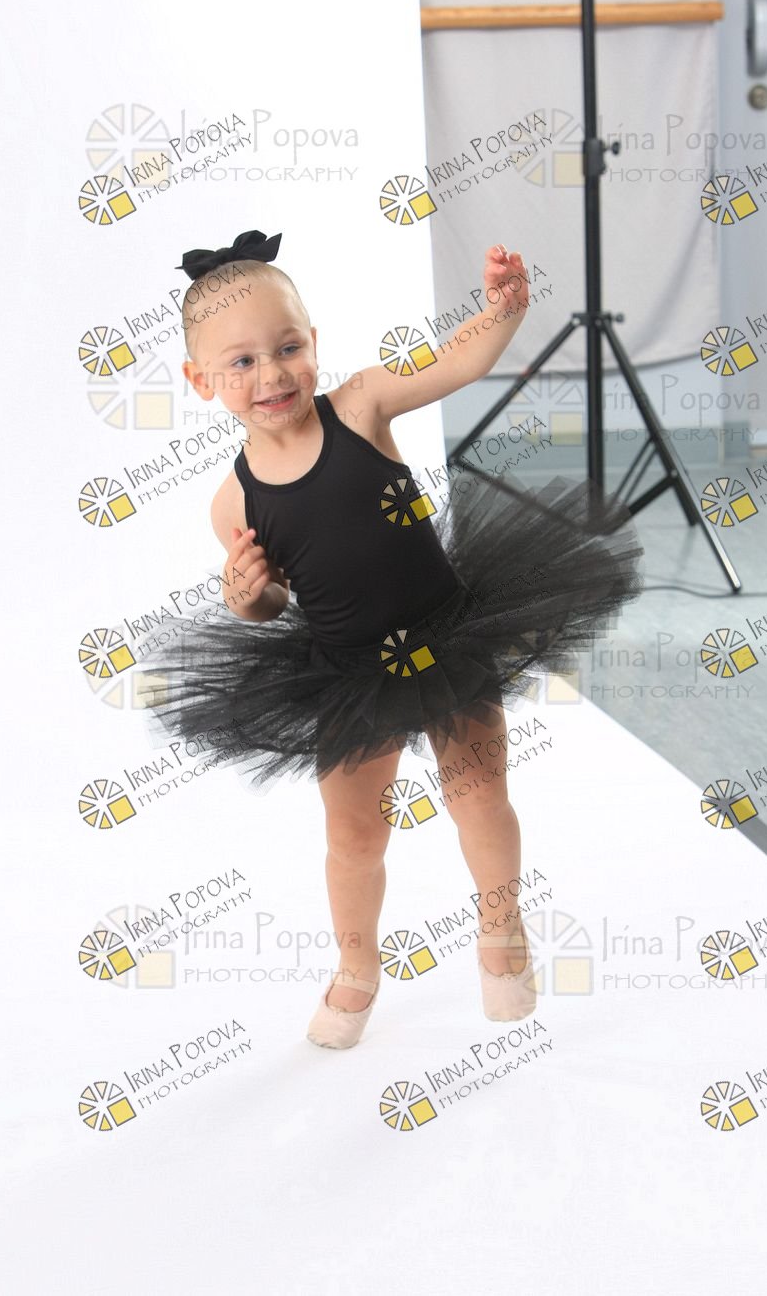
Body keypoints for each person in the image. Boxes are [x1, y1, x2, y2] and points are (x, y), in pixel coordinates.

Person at [137, 228, 643, 1049]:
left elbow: (456, 363)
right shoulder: (234, 503)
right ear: (201, 381)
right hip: (347, 671)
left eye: (288, 348)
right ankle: (356, 966)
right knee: (353, 837)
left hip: (446, 635)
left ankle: (501, 925)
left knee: (478, 795)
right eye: (242, 362)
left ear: (313, 343)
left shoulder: (361, 406)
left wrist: (503, 310)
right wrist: (248, 598)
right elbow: (271, 602)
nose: (272, 375)